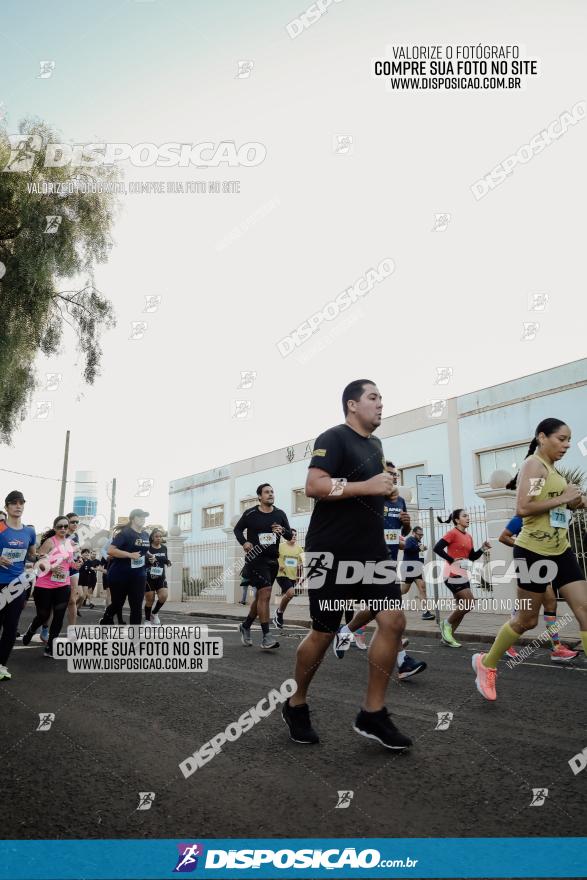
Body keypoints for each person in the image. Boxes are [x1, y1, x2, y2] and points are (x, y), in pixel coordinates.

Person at [281, 379, 412, 750]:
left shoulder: (376, 444)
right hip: (329, 550)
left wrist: (388, 495)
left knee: (394, 620)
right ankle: (296, 703)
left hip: (371, 551)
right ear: (353, 405)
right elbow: (314, 486)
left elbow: (369, 492)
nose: (381, 404)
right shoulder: (334, 437)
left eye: (382, 398)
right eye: (373, 398)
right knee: (324, 632)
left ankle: (373, 712)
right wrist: (367, 486)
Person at [473, 418, 587, 701]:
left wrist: (575, 499)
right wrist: (563, 498)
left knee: (585, 609)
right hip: (533, 551)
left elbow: (563, 500)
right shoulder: (533, 465)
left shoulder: (552, 470)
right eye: (561, 439)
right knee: (526, 620)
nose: (567, 445)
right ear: (542, 437)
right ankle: (486, 664)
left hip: (561, 550)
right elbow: (523, 507)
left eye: (569, 440)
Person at [498, 512, 578, 662]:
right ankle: (507, 643)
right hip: (527, 563)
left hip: (541, 565)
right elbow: (503, 537)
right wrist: (526, 546)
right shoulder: (522, 517)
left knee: (549, 602)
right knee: (529, 607)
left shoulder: (547, 518)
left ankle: (556, 648)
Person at [234, 484, 292, 650]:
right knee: (265, 593)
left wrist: (282, 531)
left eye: (272, 491)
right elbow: (237, 529)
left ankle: (245, 625)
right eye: (267, 492)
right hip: (255, 558)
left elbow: (289, 535)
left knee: (261, 597)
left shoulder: (280, 514)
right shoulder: (251, 513)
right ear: (259, 496)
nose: (270, 494)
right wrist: (244, 542)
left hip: (272, 560)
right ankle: (266, 636)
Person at [433, 510, 491, 647]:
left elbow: (471, 557)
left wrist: (482, 549)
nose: (468, 518)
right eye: (464, 516)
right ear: (457, 520)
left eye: (468, 516)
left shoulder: (469, 537)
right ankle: (445, 624)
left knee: (462, 607)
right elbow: (437, 548)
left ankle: (448, 637)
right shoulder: (452, 533)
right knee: (469, 603)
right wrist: (452, 560)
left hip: (463, 574)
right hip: (452, 574)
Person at [22, 515, 76, 657]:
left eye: (65, 526)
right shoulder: (49, 542)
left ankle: (51, 647)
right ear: (55, 528)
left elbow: (69, 563)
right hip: (45, 585)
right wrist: (50, 567)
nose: (63, 529)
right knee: (43, 615)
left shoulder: (70, 543)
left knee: (58, 616)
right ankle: (32, 629)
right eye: (60, 526)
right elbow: (38, 563)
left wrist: (76, 564)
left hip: (63, 585)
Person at [0, 491, 37, 679]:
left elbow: (31, 554)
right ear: (7, 507)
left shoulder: (29, 531)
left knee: (11, 626)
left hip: (18, 584)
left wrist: (40, 559)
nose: (18, 506)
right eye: (13, 503)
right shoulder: (0, 527)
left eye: (21, 502)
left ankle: (1, 665)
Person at [99, 510, 154, 626]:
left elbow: (143, 550)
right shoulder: (125, 533)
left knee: (136, 606)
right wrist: (130, 555)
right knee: (118, 604)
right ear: (132, 518)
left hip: (139, 575)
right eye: (140, 516)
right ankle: (106, 619)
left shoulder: (145, 534)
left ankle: (135, 639)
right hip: (120, 574)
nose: (143, 519)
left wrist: (149, 556)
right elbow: (111, 550)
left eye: (144, 517)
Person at [272, 528, 304, 630]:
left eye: (295, 535)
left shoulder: (299, 549)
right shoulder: (280, 546)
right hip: (281, 574)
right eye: (292, 534)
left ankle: (279, 613)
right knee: (290, 593)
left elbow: (303, 562)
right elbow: (273, 557)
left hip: (293, 576)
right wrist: (278, 564)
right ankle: (279, 613)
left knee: (288, 596)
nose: (294, 536)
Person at [402, 526, 434, 619]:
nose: (421, 536)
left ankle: (426, 612)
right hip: (409, 568)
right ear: (414, 533)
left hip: (417, 568)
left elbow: (419, 554)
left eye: (422, 535)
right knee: (404, 590)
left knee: (422, 588)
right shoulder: (410, 540)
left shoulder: (418, 542)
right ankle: (389, 597)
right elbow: (407, 548)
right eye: (419, 534)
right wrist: (419, 548)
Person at [144, 529, 171, 625]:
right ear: (152, 537)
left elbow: (164, 559)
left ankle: (154, 613)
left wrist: (167, 561)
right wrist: (149, 561)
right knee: (150, 599)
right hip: (149, 577)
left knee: (163, 596)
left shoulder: (164, 547)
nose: (159, 538)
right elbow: (143, 561)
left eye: (160, 536)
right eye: (156, 536)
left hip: (161, 577)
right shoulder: (147, 548)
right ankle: (147, 620)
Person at [65, 513, 83, 625]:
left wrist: (80, 558)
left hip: (74, 569)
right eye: (73, 522)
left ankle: (72, 630)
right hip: (62, 569)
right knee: (56, 602)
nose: (75, 524)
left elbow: (77, 550)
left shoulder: (76, 535)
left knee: (74, 599)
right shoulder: (61, 534)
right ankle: (45, 627)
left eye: (77, 522)